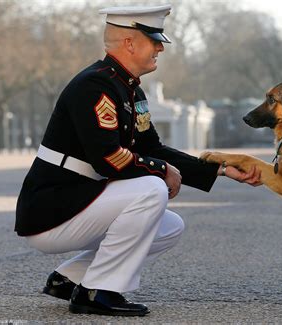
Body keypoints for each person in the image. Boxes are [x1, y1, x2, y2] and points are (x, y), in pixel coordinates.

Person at [15, 4, 261, 317]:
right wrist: (162, 172)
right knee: (150, 190)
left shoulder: (128, 89)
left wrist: (221, 169)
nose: (161, 46)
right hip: (51, 210)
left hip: (78, 201)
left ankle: (69, 280)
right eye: (154, 39)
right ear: (129, 43)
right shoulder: (96, 86)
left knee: (169, 226)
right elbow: (107, 159)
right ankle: (97, 292)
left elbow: (152, 147)